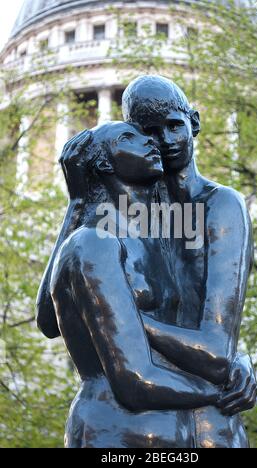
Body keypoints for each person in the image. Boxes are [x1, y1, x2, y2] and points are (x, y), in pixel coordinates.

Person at [50, 122, 234, 448]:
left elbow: (198, 330)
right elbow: (135, 380)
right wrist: (224, 390)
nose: (150, 142)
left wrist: (237, 362)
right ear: (105, 164)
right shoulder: (94, 241)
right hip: (116, 433)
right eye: (128, 137)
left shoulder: (160, 236)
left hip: (177, 433)